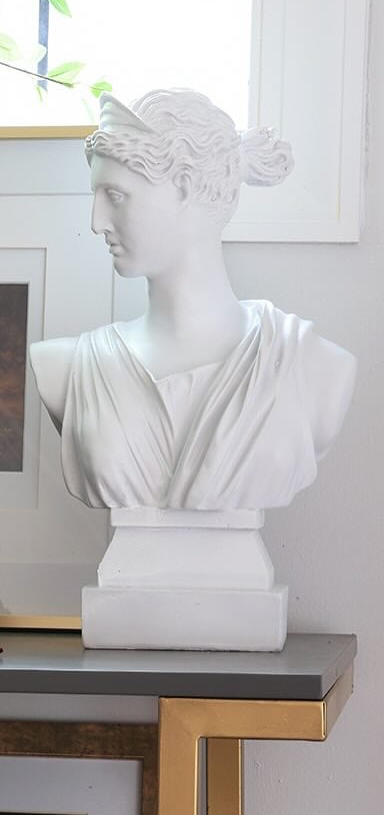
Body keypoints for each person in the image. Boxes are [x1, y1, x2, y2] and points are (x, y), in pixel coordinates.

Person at [30, 90, 356, 511]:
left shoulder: (313, 367)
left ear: (183, 187)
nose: (96, 223)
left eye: (115, 196)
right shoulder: (66, 367)